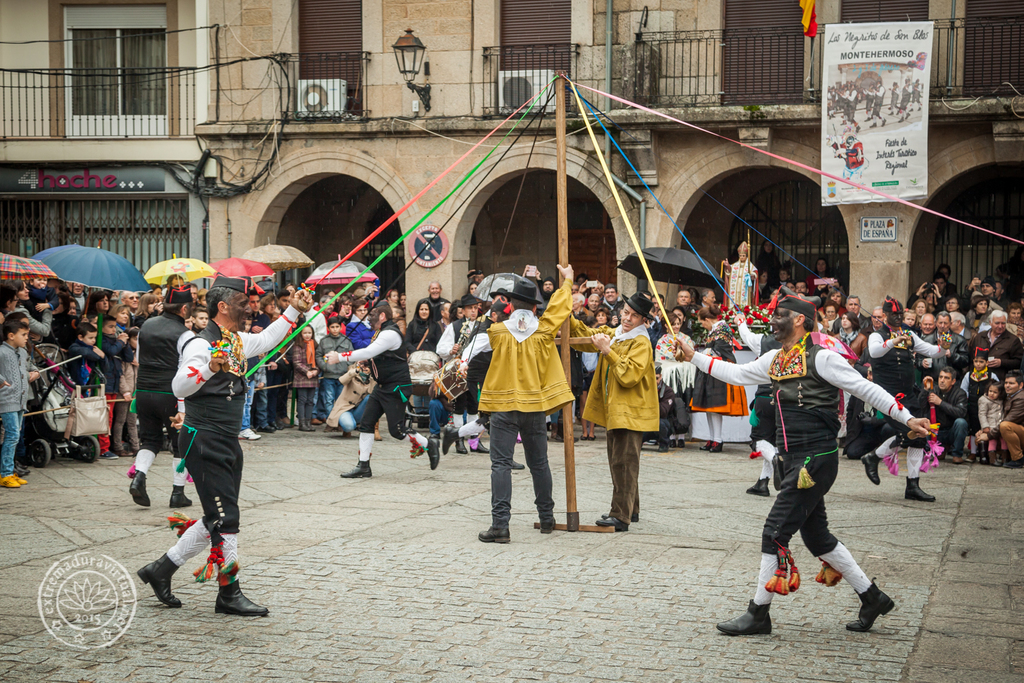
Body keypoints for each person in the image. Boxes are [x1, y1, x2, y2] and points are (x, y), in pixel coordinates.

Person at [674, 291, 933, 636]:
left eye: (780, 314)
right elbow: (737, 373)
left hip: (816, 459)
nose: (772, 320)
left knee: (774, 532)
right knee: (818, 538)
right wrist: (693, 356)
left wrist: (907, 417)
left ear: (799, 320)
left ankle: (758, 614)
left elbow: (865, 389)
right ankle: (872, 597)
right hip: (794, 457)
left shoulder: (823, 359)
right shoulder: (776, 359)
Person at [135, 277, 313, 617]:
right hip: (204, 439)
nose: (250, 307)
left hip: (225, 438)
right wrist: (208, 367)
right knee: (226, 517)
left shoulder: (235, 340)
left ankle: (160, 569)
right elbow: (180, 386)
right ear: (223, 306)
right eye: (244, 302)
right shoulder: (200, 344)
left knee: (216, 515)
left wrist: (294, 310)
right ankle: (228, 593)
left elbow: (265, 339)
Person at [474, 267, 575, 543]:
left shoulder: (496, 332)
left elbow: (480, 333)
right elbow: (560, 306)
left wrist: (494, 308)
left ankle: (500, 526)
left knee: (501, 465)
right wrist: (567, 280)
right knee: (539, 463)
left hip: (504, 408)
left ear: (509, 304)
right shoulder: (543, 330)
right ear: (534, 306)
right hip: (535, 407)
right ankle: (546, 518)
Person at [570, 292, 659, 531]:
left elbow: (629, 375)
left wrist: (607, 351)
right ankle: (632, 508)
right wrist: (568, 313)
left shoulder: (640, 342)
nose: (628, 318)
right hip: (617, 409)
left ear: (643, 321)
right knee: (621, 460)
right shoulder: (618, 334)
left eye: (634, 316)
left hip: (631, 411)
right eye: (626, 313)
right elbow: (585, 334)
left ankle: (621, 515)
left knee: (623, 463)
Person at [328, 303, 439, 478]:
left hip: (396, 388)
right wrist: (371, 363)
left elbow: (368, 351)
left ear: (382, 316)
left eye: (372, 314)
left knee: (397, 431)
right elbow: (378, 355)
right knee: (366, 423)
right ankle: (363, 466)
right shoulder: (382, 332)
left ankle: (429, 443)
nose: (369, 318)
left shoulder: (389, 333)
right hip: (382, 387)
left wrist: (339, 357)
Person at [861, 297, 946, 502]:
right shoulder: (876, 335)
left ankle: (912, 485)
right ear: (885, 315)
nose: (899, 318)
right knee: (909, 432)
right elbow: (874, 352)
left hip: (909, 394)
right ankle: (874, 456)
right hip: (888, 396)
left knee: (919, 435)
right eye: (894, 315)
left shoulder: (909, 334)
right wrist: (893, 341)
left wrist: (942, 347)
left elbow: (932, 351)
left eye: (901, 315)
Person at [127, 286, 197, 508]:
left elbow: (138, 358)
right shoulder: (186, 334)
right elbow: (185, 369)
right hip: (171, 395)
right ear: (184, 308)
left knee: (150, 440)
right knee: (180, 444)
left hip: (144, 392)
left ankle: (139, 476)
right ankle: (177, 493)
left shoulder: (146, 325)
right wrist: (184, 406)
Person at [734, 312, 782, 497]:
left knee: (758, 441)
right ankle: (763, 482)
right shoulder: (798, 344)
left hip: (764, 397)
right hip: (785, 399)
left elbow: (745, 335)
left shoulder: (763, 341)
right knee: (773, 441)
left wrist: (740, 321)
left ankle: (775, 460)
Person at [690, 305, 748, 452]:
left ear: (708, 320)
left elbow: (718, 350)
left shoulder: (722, 330)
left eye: (703, 322)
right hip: (712, 368)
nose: (702, 325)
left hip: (720, 368)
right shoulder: (717, 329)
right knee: (710, 407)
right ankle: (713, 439)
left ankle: (717, 440)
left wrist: (702, 355)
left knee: (715, 407)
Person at [0, 319, 38, 488]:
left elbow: (25, 369)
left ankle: (10, 470)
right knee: (12, 435)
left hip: (21, 400)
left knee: (15, 436)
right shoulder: (1, 352)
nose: (26, 338)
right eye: (23, 335)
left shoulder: (22, 352)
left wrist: (32, 374)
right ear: (11, 335)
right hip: (7, 399)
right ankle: (5, 473)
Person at [924, 368, 969, 464]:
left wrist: (940, 403)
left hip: (951, 431)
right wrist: (925, 390)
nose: (942, 380)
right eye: (940, 377)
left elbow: (961, 412)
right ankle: (935, 450)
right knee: (924, 420)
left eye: (946, 378)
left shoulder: (960, 393)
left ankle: (957, 454)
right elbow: (920, 407)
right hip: (936, 431)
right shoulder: (933, 390)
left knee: (961, 422)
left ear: (953, 381)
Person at [318, 315, 354, 432]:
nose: (335, 329)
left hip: (342, 376)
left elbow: (351, 355)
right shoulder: (324, 341)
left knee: (340, 401)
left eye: (337, 327)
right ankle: (330, 422)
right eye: (332, 327)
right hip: (329, 375)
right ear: (328, 328)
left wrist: (349, 369)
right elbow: (319, 355)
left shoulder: (346, 341)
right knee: (328, 400)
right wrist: (324, 366)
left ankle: (339, 422)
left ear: (340, 327)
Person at [111, 327, 141, 457]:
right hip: (124, 394)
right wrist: (125, 391)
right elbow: (121, 375)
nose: (138, 341)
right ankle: (117, 446)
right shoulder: (123, 356)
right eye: (135, 339)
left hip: (135, 394)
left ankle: (136, 447)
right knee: (120, 420)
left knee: (132, 421)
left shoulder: (139, 356)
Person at [968, 310, 1023, 374]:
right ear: (990, 323)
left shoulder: (1013, 340)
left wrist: (1002, 363)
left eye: (1003, 323)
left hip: (1000, 380)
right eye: (997, 323)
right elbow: (971, 357)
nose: (1000, 326)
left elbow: (1019, 362)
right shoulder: (979, 337)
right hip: (979, 377)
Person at [327, 361, 374, 435]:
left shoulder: (372, 378)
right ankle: (345, 424)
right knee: (349, 426)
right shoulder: (352, 372)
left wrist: (371, 376)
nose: (365, 367)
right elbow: (342, 380)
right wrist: (356, 370)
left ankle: (357, 423)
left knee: (371, 398)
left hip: (359, 410)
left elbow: (373, 393)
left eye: (367, 366)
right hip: (345, 408)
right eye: (363, 365)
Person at [290, 326, 320, 432]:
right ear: (301, 334)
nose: (307, 335)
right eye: (305, 333)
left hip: (313, 376)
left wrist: (316, 371)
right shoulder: (298, 346)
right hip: (301, 377)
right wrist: (307, 371)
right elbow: (297, 362)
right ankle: (302, 423)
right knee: (302, 400)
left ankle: (308, 421)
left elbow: (319, 360)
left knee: (310, 401)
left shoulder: (315, 345)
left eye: (309, 333)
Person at [998, 371, 1024, 469]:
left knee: (1005, 426)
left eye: (1011, 383)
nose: (1007, 386)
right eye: (1006, 383)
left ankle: (1018, 459)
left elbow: (1009, 420)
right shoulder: (1010, 396)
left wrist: (988, 435)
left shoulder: (1021, 398)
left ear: (1020, 385)